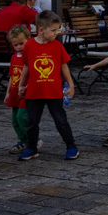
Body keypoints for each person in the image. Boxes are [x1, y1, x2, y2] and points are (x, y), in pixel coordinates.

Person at [18, 10, 78, 162]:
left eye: (57, 30)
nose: (56, 33)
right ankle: (32, 147)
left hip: (54, 91)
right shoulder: (29, 46)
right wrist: (21, 85)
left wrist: (71, 85)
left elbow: (64, 67)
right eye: (53, 30)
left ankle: (71, 146)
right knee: (32, 122)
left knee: (61, 121)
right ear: (41, 30)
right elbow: (26, 67)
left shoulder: (57, 46)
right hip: (34, 91)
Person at [3, 25, 34, 153]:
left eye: (22, 43)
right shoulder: (14, 57)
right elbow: (12, 76)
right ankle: (21, 139)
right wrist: (8, 92)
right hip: (15, 92)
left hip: (25, 92)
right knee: (15, 119)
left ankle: (32, 139)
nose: (19, 47)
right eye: (16, 45)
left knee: (22, 117)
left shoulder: (30, 56)